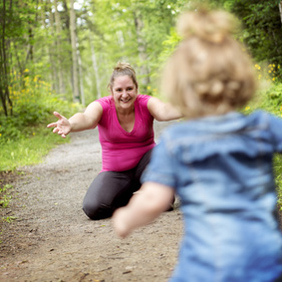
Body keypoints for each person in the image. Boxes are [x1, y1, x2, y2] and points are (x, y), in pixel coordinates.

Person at [112, 6, 282, 282]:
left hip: (204, 268)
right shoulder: (263, 127)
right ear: (242, 81)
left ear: (180, 87)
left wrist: (125, 219)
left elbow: (154, 199)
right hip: (264, 263)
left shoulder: (177, 143)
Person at [47, 62, 181, 220]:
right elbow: (86, 118)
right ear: (111, 91)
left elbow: (164, 111)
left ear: (136, 88)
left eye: (129, 89)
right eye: (119, 90)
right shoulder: (102, 106)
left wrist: (197, 107)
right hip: (116, 173)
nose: (125, 95)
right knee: (93, 207)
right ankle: (140, 199)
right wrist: (70, 124)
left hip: (147, 164)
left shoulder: (145, 103)